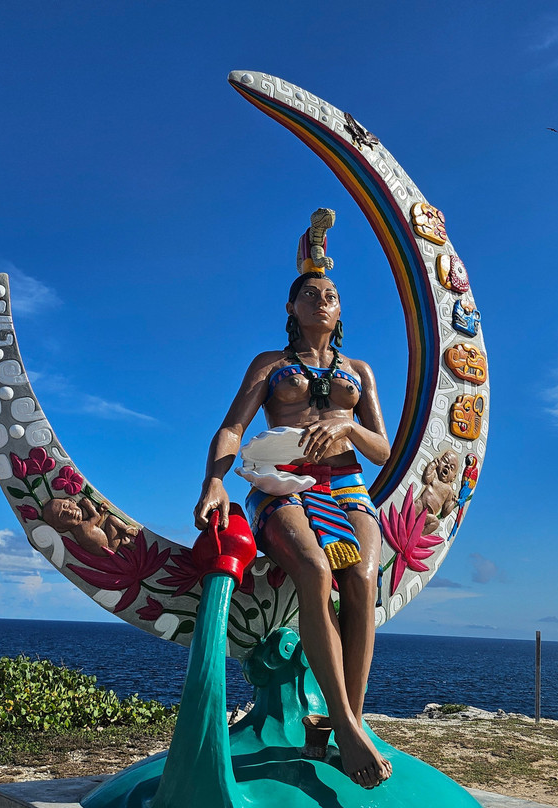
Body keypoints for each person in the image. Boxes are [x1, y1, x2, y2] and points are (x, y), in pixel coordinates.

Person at [193, 264, 392, 789]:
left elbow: (382, 448)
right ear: (291, 308)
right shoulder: (271, 364)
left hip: (347, 487)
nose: (321, 301)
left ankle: (341, 717)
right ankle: (349, 730)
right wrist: (214, 482)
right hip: (281, 483)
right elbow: (233, 426)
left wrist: (347, 424)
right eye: (309, 294)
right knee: (314, 568)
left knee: (362, 580)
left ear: (340, 308)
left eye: (330, 294)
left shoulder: (361, 372)